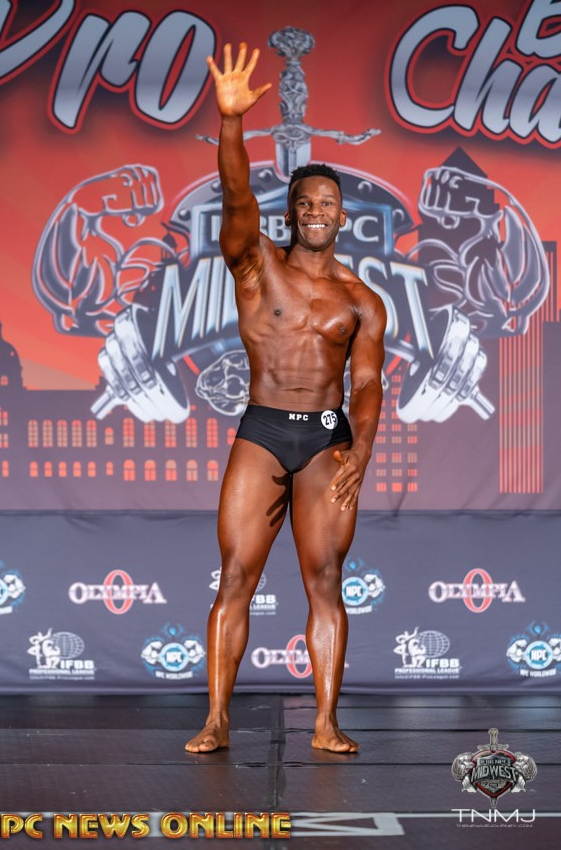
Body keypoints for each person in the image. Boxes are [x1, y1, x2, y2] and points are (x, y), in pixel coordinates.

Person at [185, 43, 386, 754]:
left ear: (342, 216)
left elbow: (367, 383)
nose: (317, 211)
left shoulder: (362, 300)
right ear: (293, 212)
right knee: (236, 575)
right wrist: (231, 122)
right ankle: (216, 719)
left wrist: (363, 449)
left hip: (328, 440)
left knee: (326, 579)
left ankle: (325, 723)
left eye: (328, 203)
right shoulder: (256, 265)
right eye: (306, 203)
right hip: (264, 430)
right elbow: (236, 195)